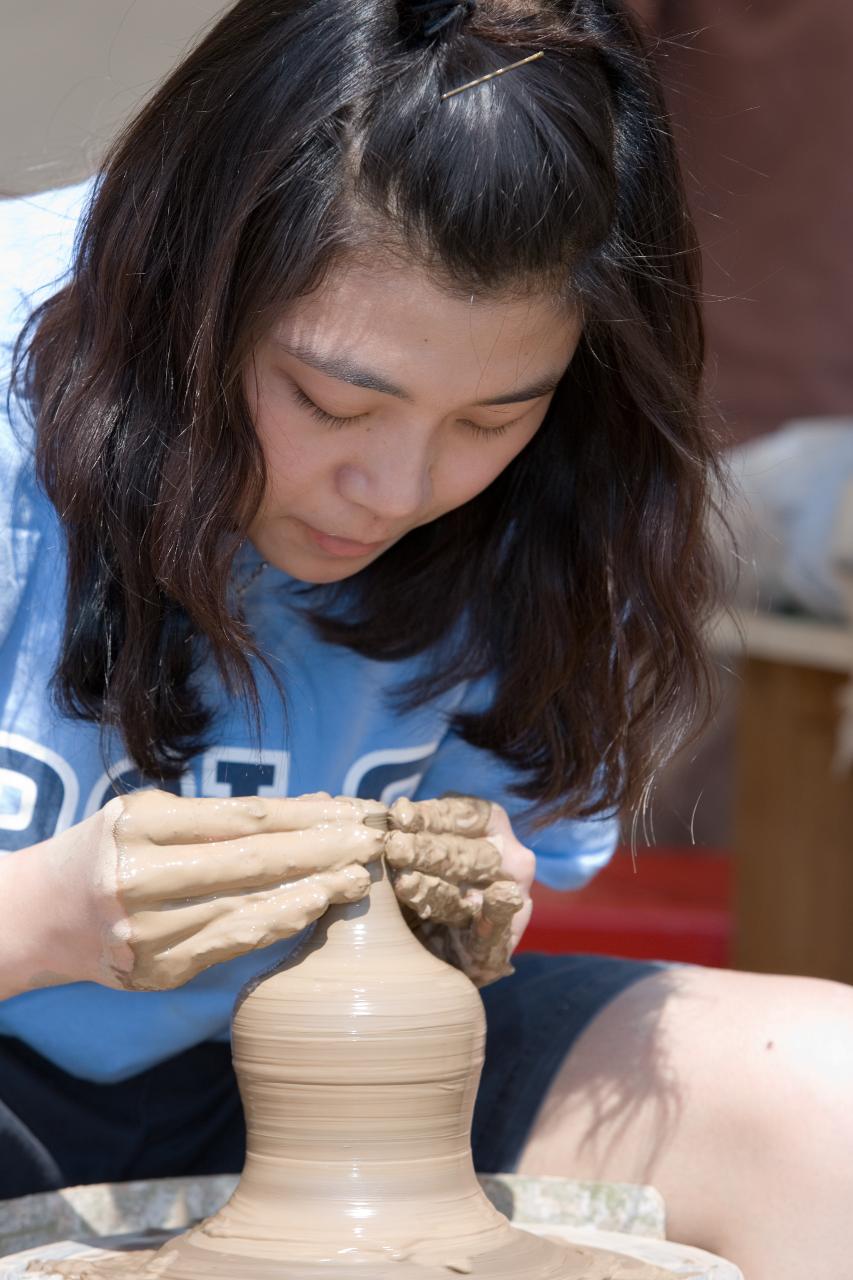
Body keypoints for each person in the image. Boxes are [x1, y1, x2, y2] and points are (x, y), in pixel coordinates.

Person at [0, 3, 850, 1276]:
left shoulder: (571, 469)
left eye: (490, 416)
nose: (398, 489)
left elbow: (499, 860)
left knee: (824, 1098)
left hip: (288, 1086)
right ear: (182, 283)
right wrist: (41, 918)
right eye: (333, 401)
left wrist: (468, 884)